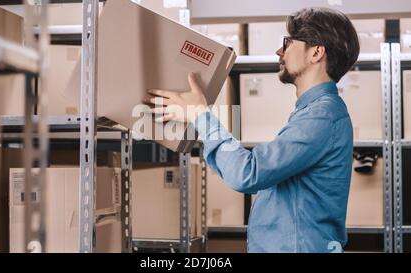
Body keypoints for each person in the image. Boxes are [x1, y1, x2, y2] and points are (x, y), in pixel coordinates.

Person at [144, 7, 360, 253]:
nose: (279, 52)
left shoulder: (321, 116)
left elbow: (249, 174)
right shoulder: (313, 112)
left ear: (316, 52)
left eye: (287, 43)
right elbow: (261, 177)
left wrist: (200, 115)